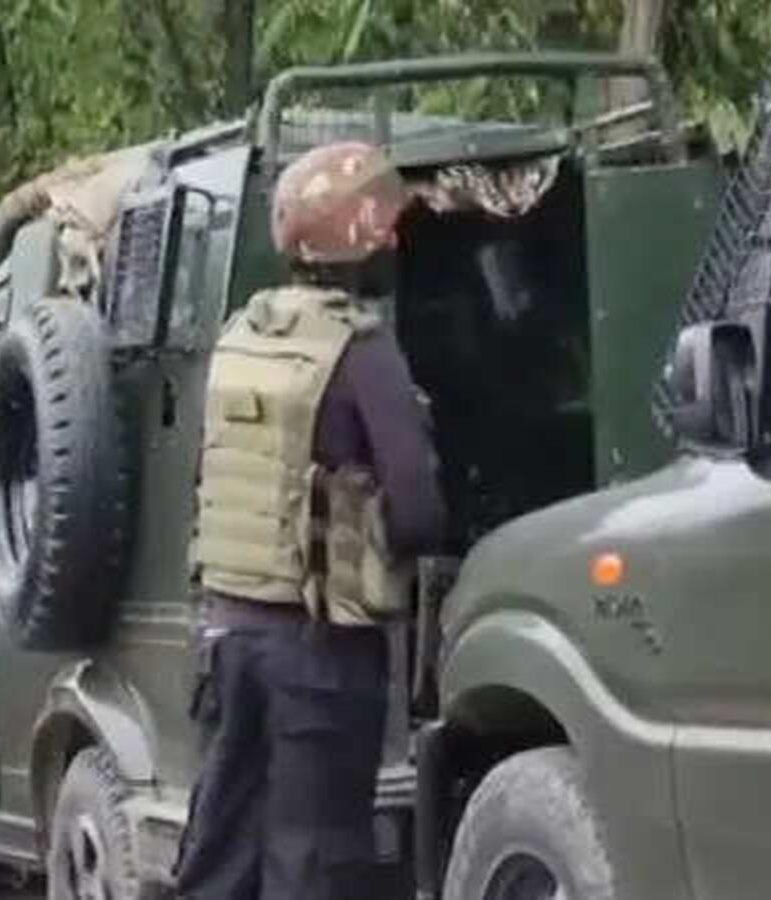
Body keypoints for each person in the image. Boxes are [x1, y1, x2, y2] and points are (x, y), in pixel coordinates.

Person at [176, 141, 446, 900]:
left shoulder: (241, 336)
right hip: (321, 653)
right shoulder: (362, 349)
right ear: (359, 238)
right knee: (314, 859)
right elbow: (419, 511)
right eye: (387, 228)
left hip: (227, 638)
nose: (395, 242)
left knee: (221, 853)